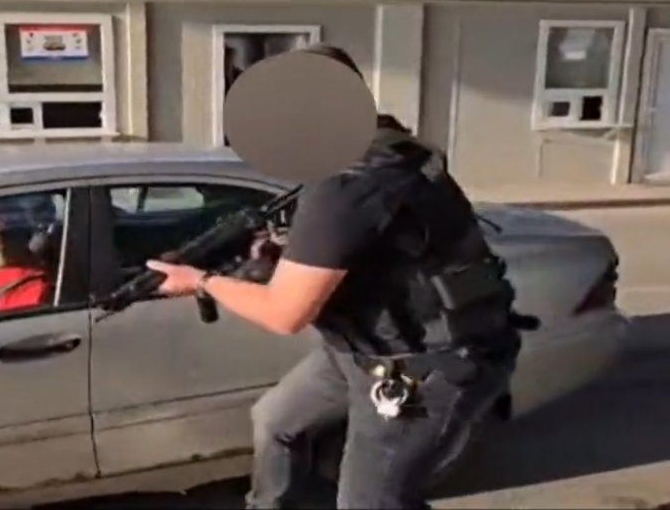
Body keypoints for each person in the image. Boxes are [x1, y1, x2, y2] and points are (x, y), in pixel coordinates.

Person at [146, 43, 524, 509]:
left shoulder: (350, 180)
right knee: (277, 422)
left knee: (369, 503)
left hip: (423, 364)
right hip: (360, 347)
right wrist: (291, 253)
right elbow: (380, 241)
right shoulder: (390, 148)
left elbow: (284, 314)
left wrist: (200, 281)